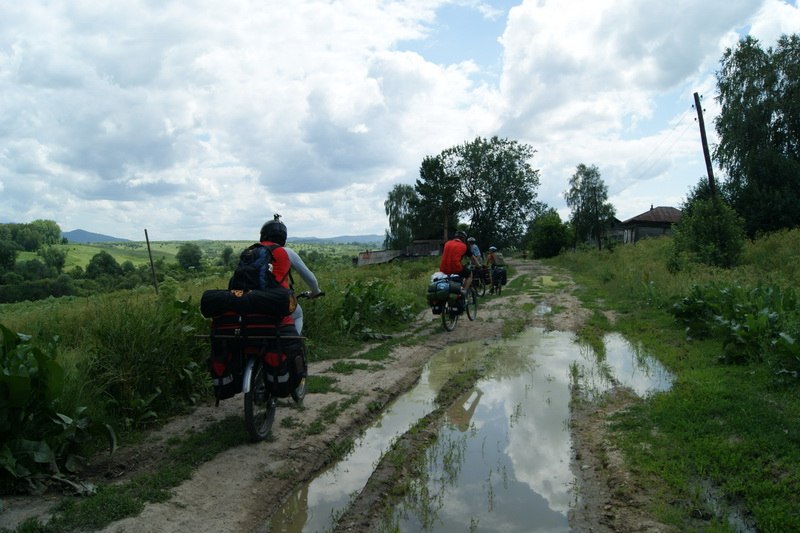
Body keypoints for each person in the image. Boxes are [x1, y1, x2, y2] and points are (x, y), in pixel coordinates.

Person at [260, 214, 322, 334]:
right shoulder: (286, 252)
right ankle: (294, 346)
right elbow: (311, 279)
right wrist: (315, 292)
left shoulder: (251, 251)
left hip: (250, 298)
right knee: (298, 314)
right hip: (277, 299)